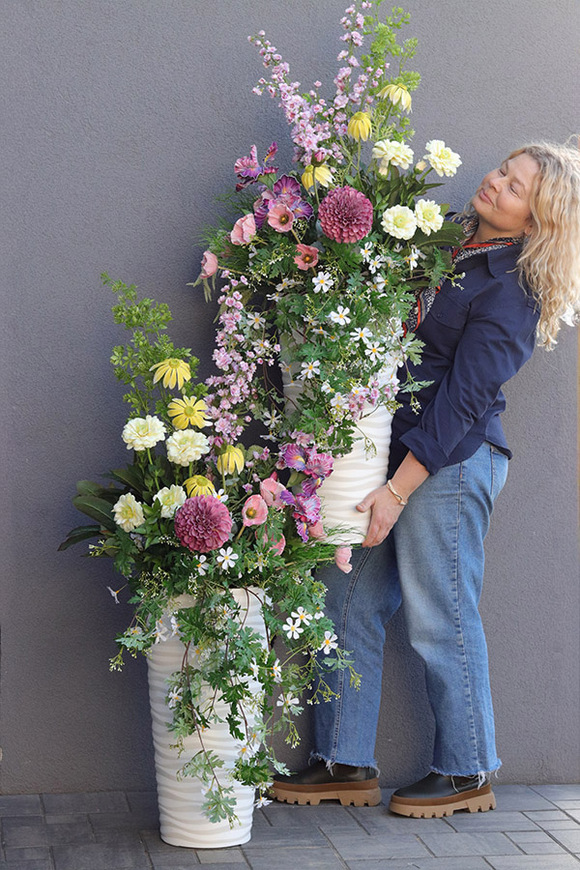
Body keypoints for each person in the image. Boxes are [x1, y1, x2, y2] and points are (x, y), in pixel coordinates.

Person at [271, 142, 580, 817]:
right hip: (390, 456)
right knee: (341, 599)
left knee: (441, 616)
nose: (494, 182)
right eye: (501, 169)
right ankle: (344, 761)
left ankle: (468, 769)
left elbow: (464, 400)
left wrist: (397, 490)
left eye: (515, 185)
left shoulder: (513, 290)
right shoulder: (448, 245)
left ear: (535, 222)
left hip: (450, 461)